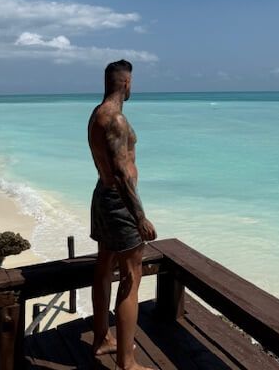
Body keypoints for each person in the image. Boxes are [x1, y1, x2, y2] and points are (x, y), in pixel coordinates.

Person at [88, 59, 157, 370]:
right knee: (131, 276)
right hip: (119, 202)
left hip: (103, 197)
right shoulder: (115, 120)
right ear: (126, 83)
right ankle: (127, 362)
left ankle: (102, 338)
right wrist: (140, 217)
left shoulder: (97, 114)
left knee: (104, 267)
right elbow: (121, 173)